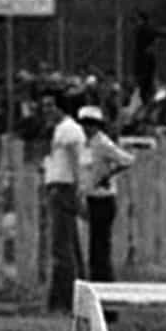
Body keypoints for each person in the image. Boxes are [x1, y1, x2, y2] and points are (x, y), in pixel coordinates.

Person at [41, 93, 88, 311]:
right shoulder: (62, 129)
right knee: (69, 245)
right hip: (59, 187)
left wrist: (79, 190)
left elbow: (76, 161)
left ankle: (64, 299)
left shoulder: (69, 130)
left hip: (64, 188)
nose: (46, 111)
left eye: (50, 106)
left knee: (62, 247)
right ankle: (76, 294)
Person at [80, 107, 137, 283]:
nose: (87, 128)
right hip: (91, 197)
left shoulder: (103, 143)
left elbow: (127, 160)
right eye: (85, 124)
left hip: (103, 199)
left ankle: (104, 283)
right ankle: (96, 280)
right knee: (94, 246)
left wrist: (109, 174)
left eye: (91, 124)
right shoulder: (85, 143)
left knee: (101, 246)